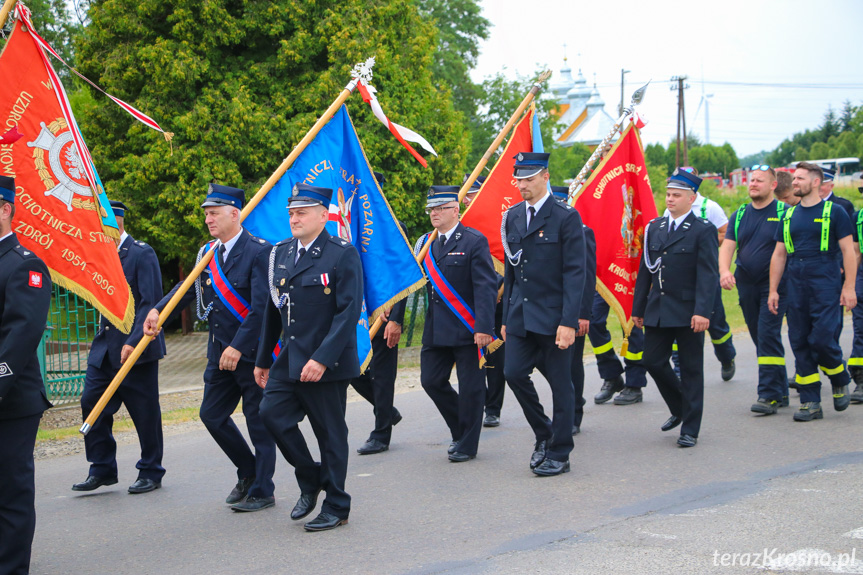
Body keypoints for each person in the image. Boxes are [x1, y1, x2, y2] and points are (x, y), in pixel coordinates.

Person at [144, 184, 276, 511]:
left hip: (252, 353)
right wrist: (160, 310)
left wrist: (239, 346)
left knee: (257, 419)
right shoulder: (208, 253)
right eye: (206, 214)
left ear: (235, 213)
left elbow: (262, 308)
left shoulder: (259, 251)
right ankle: (248, 471)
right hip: (218, 353)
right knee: (211, 415)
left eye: (213, 213)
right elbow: (186, 289)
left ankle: (263, 489)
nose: (208, 219)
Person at [255, 183, 363, 532]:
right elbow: (274, 311)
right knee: (271, 414)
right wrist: (262, 360)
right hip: (289, 358)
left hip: (326, 362)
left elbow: (348, 313)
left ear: (323, 215)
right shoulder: (282, 253)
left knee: (330, 434)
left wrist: (322, 358)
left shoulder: (341, 253)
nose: (294, 219)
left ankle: (336, 504)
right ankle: (309, 476)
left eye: (301, 212)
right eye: (291, 213)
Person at [501, 153, 587, 476]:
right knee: (513, 373)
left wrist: (568, 321)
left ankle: (561, 452)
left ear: (545, 176)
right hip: (522, 315)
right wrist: (507, 317)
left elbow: (575, 273)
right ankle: (544, 432)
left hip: (554, 318)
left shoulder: (565, 217)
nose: (521, 185)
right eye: (519, 179)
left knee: (560, 384)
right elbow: (512, 272)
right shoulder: (512, 217)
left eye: (528, 178)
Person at [74, 201, 167, 495]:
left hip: (137, 349)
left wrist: (132, 342)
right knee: (92, 402)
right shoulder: (100, 255)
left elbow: (150, 302)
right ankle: (101, 468)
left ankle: (151, 470)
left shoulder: (141, 253)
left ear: (119, 222)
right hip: (104, 349)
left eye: (104, 223)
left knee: (144, 412)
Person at [632, 169, 719, 448]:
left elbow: (708, 274)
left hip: (688, 310)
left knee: (691, 369)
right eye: (668, 194)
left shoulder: (702, 229)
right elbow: (646, 270)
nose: (670, 199)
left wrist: (703, 311)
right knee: (652, 361)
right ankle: (681, 406)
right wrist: (638, 307)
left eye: (677, 195)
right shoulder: (654, 227)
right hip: (658, 308)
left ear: (691, 198)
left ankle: (690, 428)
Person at [768, 162, 857, 421]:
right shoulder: (788, 215)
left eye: (800, 178)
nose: (794, 182)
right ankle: (810, 401)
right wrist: (774, 290)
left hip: (825, 280)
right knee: (798, 340)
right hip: (795, 281)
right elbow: (779, 254)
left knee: (821, 338)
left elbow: (848, 251)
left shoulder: (836, 212)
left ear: (816, 182)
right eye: (794, 178)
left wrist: (849, 287)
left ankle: (839, 376)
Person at [417, 185, 497, 462]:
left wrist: (485, 327)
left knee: (472, 388)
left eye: (440, 208)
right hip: (436, 328)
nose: (434, 214)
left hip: (467, 329)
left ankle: (468, 444)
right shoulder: (425, 242)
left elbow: (485, 287)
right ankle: (460, 429)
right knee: (431, 381)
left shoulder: (473, 241)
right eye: (431, 209)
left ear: (455, 210)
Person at [0, 176, 52, 575]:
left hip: (11, 400)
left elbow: (21, 334)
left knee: (11, 492)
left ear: (5, 209)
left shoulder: (24, 264)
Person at [719, 167, 790, 415]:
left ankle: (768, 395)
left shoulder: (784, 213)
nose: (753, 184)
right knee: (760, 337)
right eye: (751, 180)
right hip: (746, 284)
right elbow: (728, 246)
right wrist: (724, 271)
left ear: (773, 186)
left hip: (775, 287)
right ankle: (780, 389)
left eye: (760, 180)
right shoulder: (739, 214)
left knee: (768, 335)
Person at [351, 172, 406, 455]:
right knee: (353, 369)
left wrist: (396, 318)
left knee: (383, 376)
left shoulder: (393, 228)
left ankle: (381, 433)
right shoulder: (346, 228)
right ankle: (388, 411)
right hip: (355, 314)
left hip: (384, 316)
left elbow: (403, 277)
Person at [664, 171, 736, 381]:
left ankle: (726, 357)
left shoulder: (709, 207)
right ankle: (680, 370)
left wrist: (699, 241)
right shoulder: (670, 209)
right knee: (680, 322)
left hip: (705, 275)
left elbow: (725, 232)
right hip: (680, 277)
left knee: (715, 323)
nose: (671, 197)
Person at [461, 175, 507, 428]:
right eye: (466, 194)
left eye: (473, 193)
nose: (468, 199)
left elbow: (508, 264)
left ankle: (493, 407)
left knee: (494, 359)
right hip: (466, 306)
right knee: (471, 359)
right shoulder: (461, 226)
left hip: (495, 303)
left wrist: (498, 292)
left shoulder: (495, 223)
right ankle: (476, 402)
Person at [550, 186, 595, 433]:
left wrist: (583, 314)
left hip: (574, 311)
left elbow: (585, 277)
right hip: (549, 310)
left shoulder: (581, 232)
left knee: (573, 364)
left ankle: (575, 412)